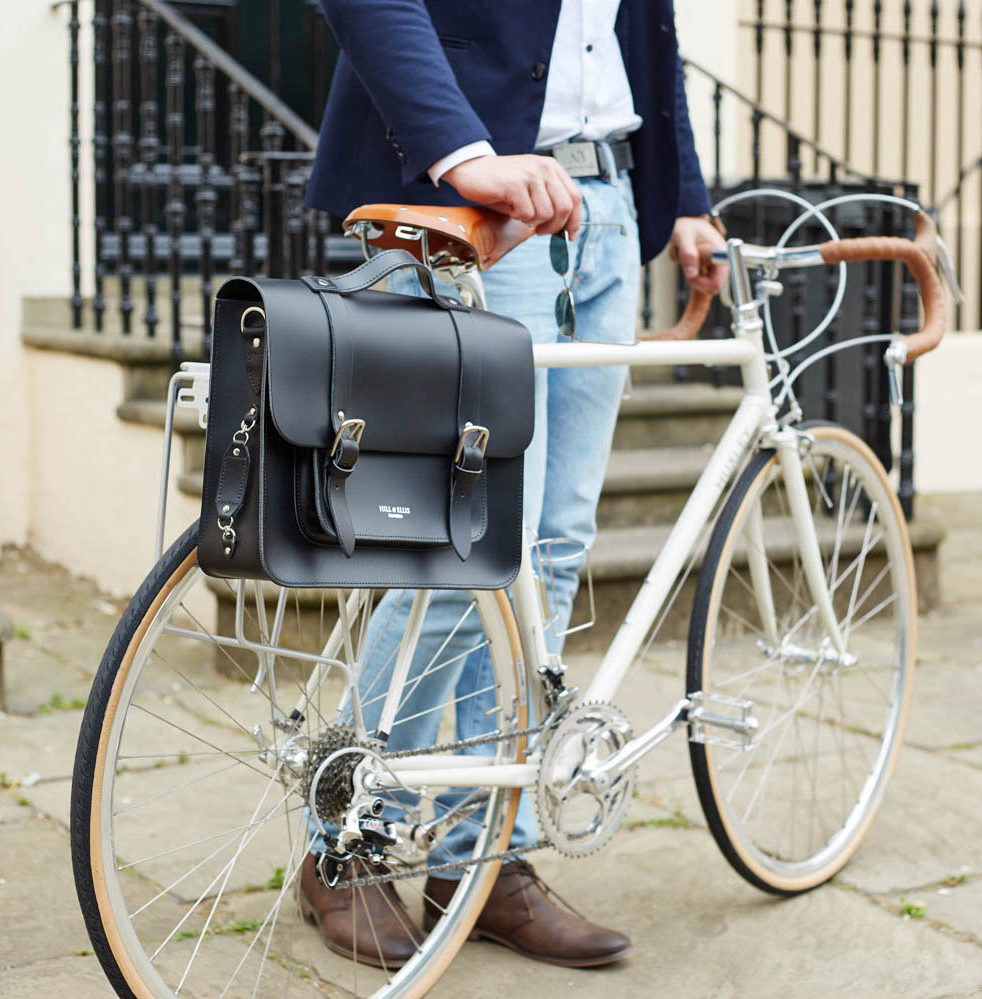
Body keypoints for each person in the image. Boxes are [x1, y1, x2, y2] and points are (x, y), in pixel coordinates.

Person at [299, 0, 728, 970]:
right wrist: (460, 151)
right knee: (469, 559)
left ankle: (484, 858)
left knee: (553, 555)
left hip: (605, 205)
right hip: (481, 208)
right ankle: (350, 840)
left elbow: (636, 31)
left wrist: (684, 194)